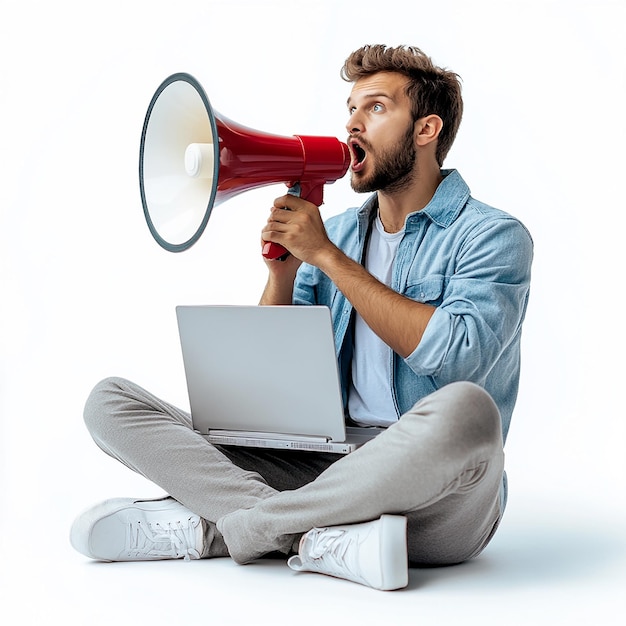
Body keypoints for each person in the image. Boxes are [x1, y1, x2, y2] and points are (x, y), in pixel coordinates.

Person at [70, 44, 533, 591]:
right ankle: (324, 539)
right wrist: (283, 276)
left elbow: (454, 355)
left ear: (426, 129)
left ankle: (223, 527)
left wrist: (329, 260)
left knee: (469, 413)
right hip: (327, 466)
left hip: (436, 495)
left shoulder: (492, 236)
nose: (353, 124)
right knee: (109, 401)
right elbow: (272, 392)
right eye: (351, 109)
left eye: (376, 108)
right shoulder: (333, 233)